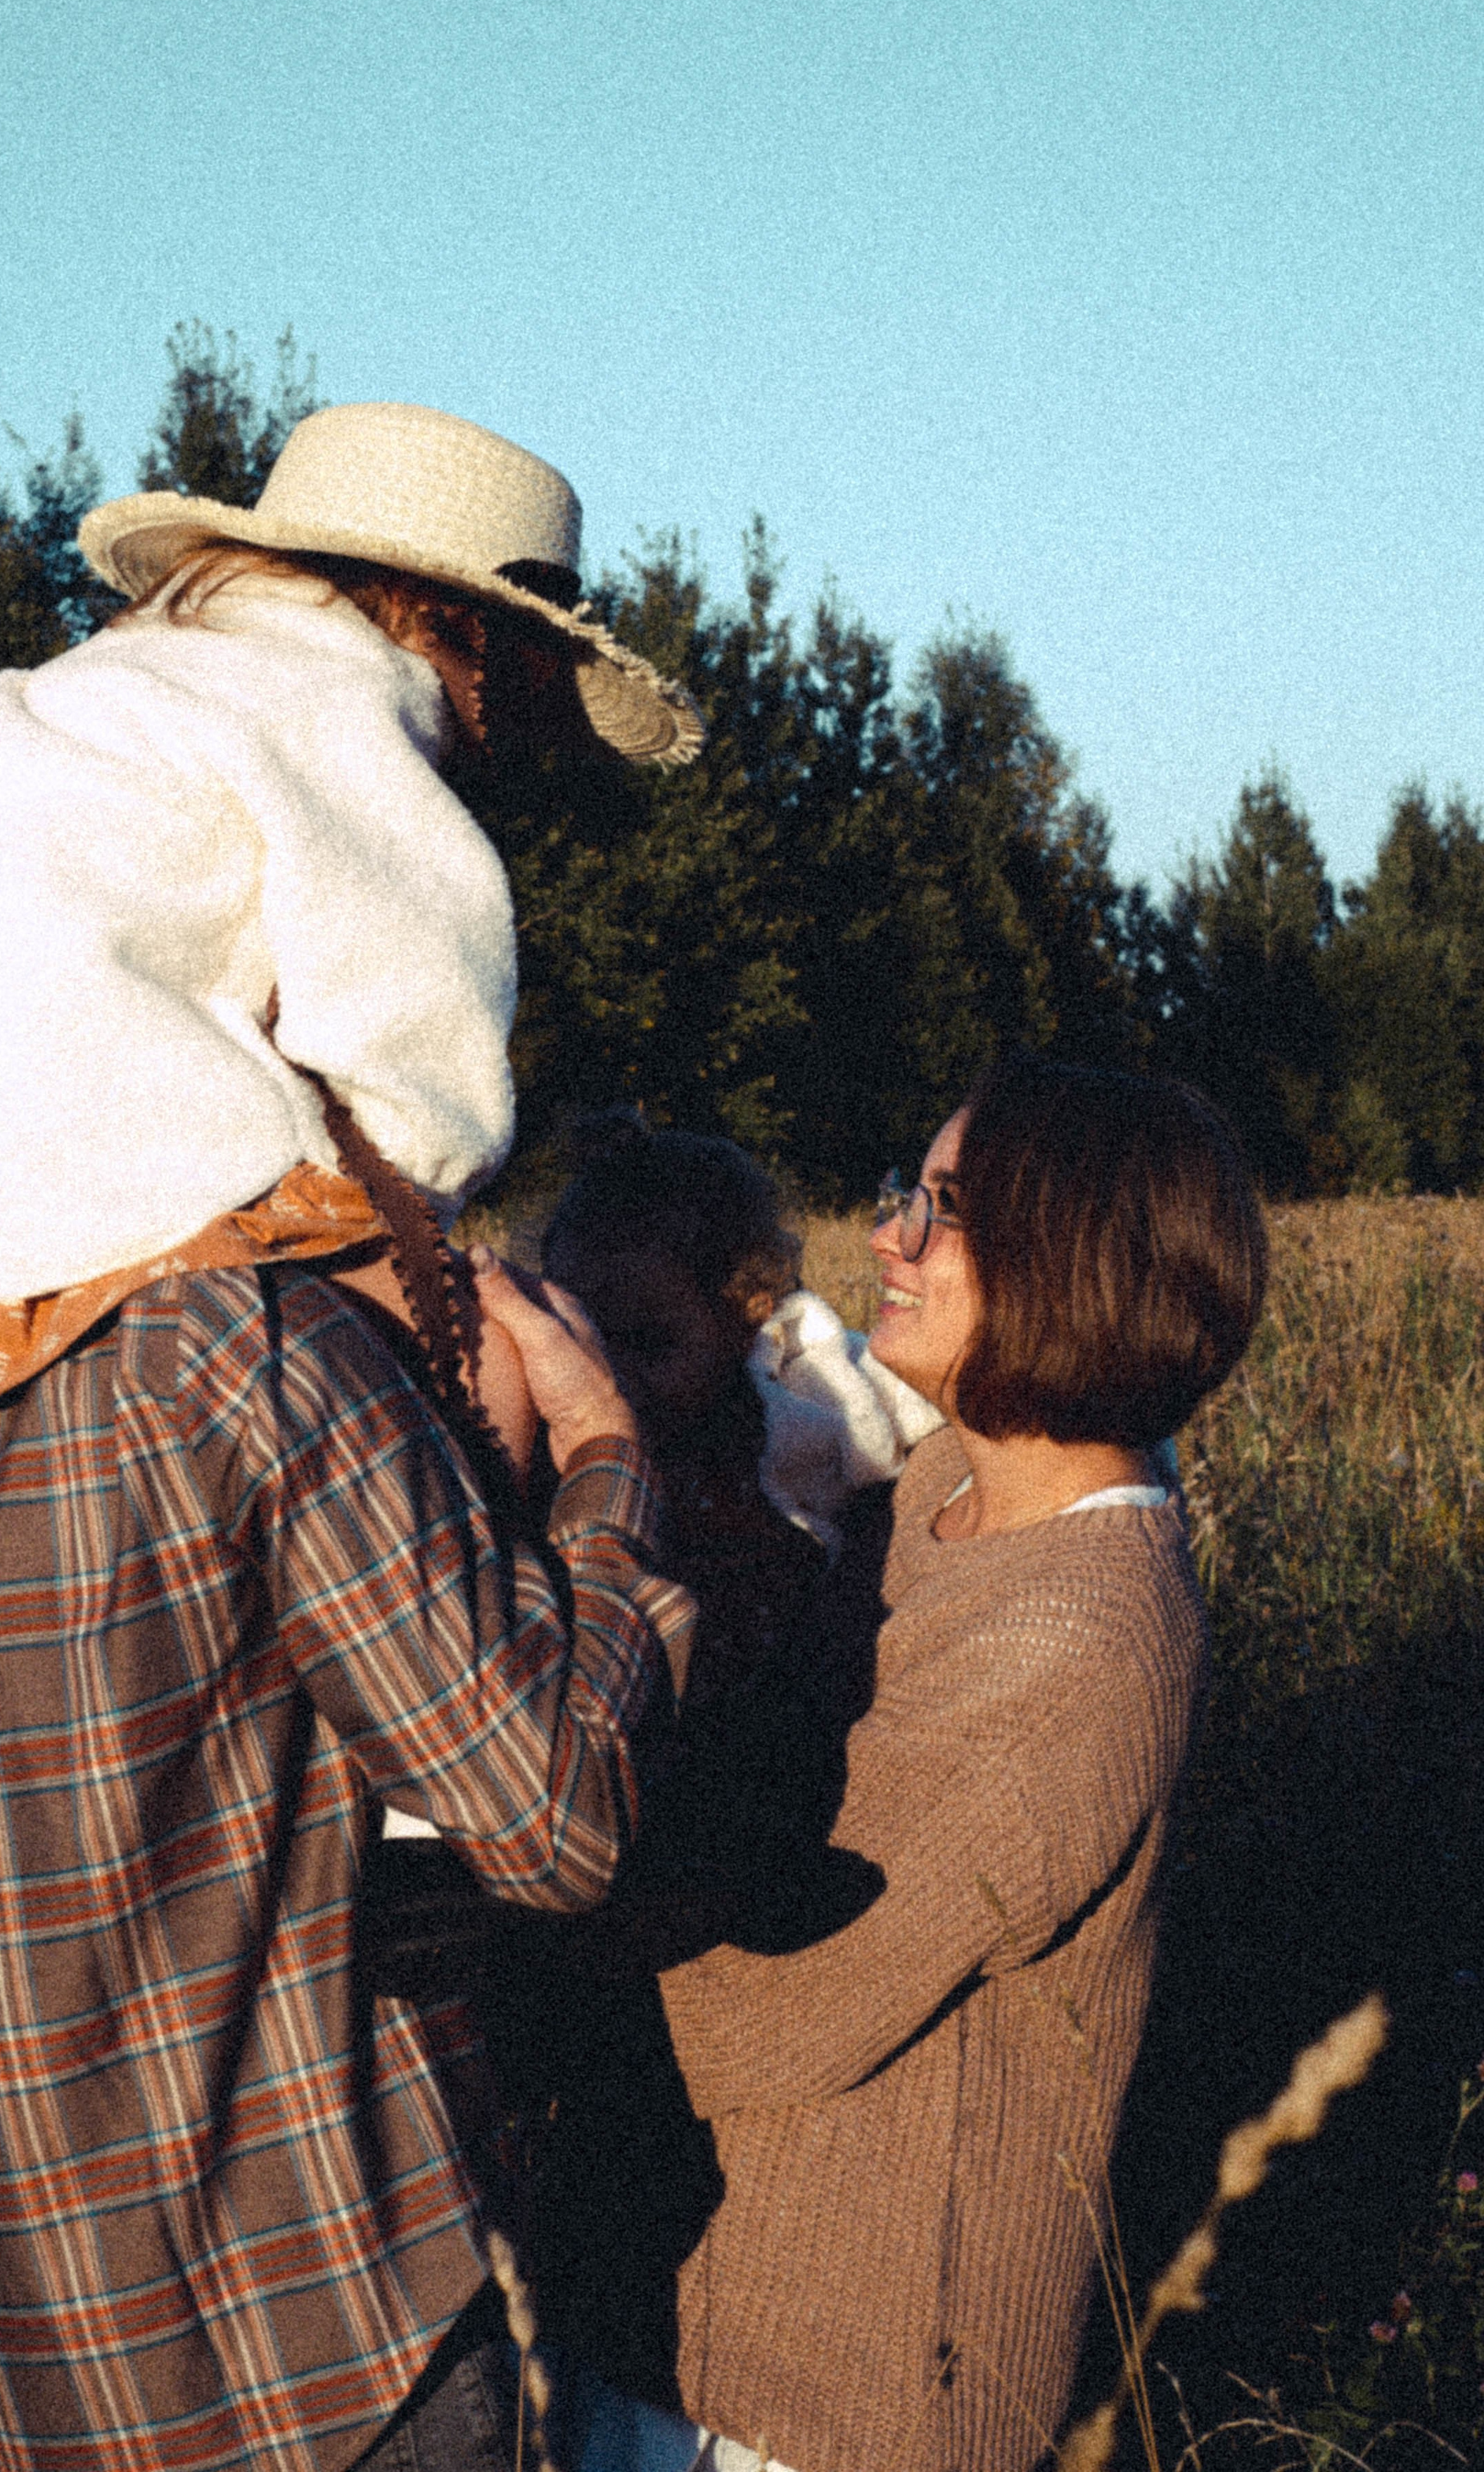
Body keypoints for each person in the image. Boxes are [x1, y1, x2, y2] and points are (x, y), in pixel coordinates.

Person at [0, 401, 707, 2472]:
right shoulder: (248, 1357)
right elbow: (555, 1815)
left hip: (0, 2363)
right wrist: (604, 1468)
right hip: (308, 2361)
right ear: (464, 654)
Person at [647, 1055, 1269, 2472]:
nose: (887, 1237)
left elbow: (771, 2006)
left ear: (1076, 1265)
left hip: (835, 2396)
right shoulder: (944, 1485)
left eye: (946, 1210)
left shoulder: (1078, 1636)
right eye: (902, 1194)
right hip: (706, 2334)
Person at [457, 1118, 941, 2465]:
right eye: (586, 1338)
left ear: (746, 1320)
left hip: (706, 1850)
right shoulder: (559, 1461)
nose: (617, 1381)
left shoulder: (766, 1470)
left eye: (651, 1343)